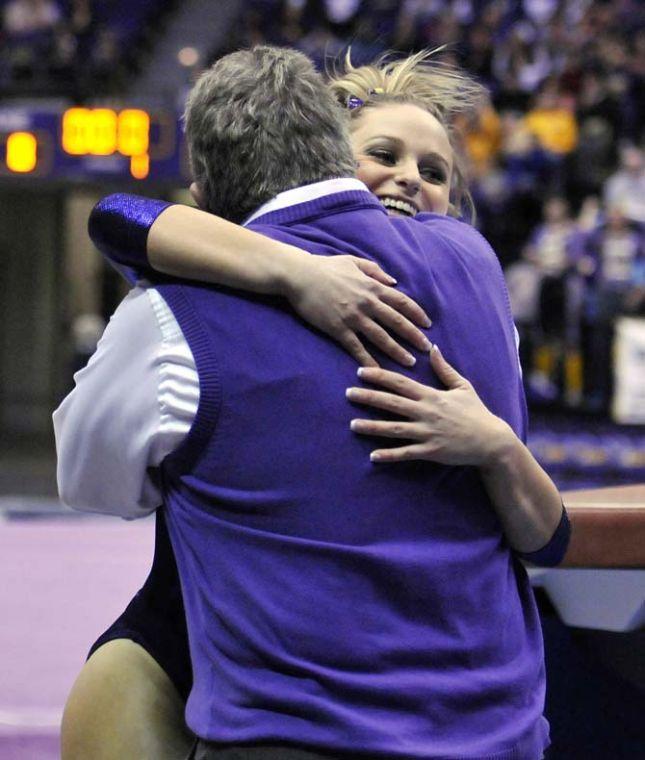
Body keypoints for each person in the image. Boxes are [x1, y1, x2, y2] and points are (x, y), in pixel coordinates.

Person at [56, 47, 568, 760]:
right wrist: (293, 269)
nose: (406, 181)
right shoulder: (466, 271)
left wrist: (500, 446)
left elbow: (120, 217)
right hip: (442, 709)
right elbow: (123, 215)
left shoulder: (465, 268)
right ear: (327, 159)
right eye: (382, 154)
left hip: (296, 691)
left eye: (434, 172)